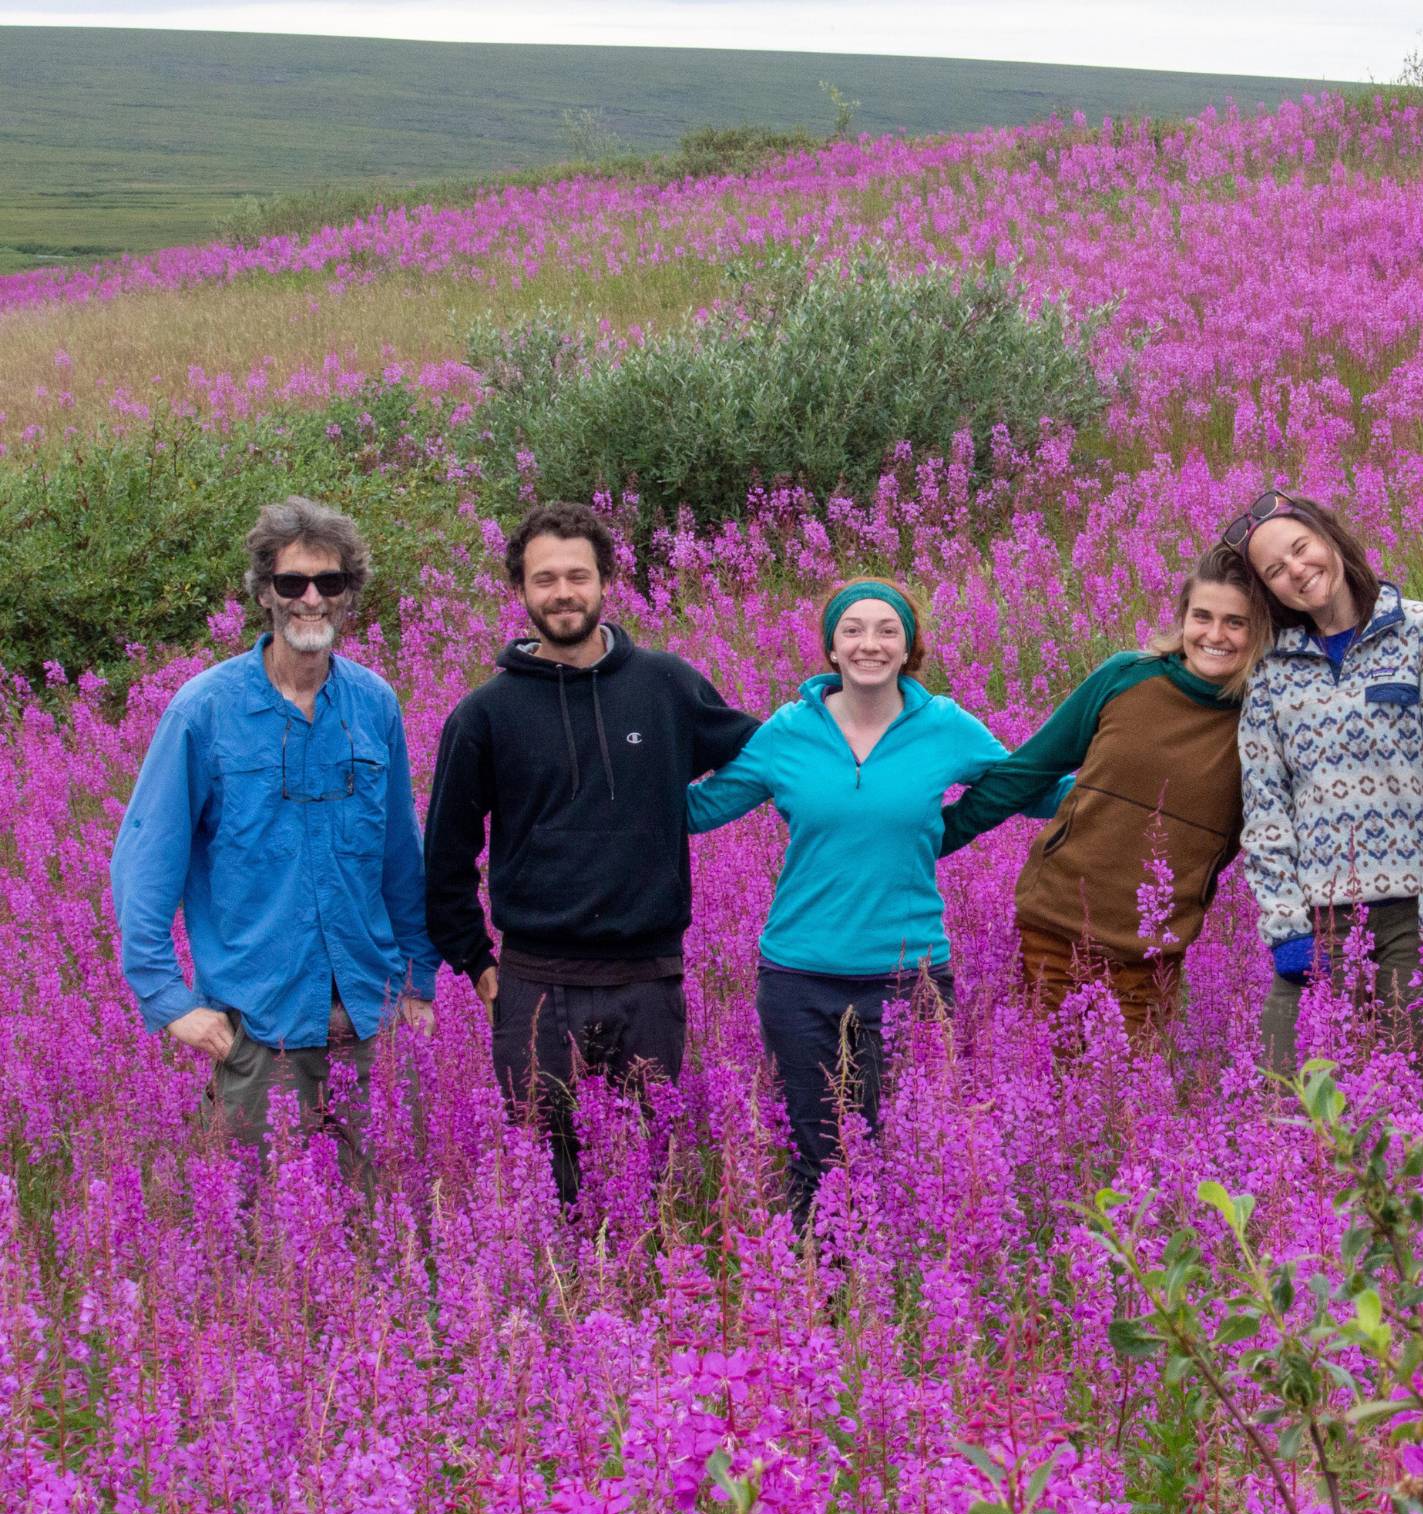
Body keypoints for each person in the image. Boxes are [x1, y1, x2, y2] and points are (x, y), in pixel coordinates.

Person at [687, 578, 1056, 1218]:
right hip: (799, 977)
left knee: (906, 1145)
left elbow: (1028, 788)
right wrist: (609, 780)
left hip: (909, 977)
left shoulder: (945, 727)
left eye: (887, 629)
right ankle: (820, 1302)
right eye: (852, 629)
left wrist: (1122, 782)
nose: (870, 644)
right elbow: (702, 808)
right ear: (831, 646)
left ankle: (893, 1302)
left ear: (908, 644)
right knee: (816, 1154)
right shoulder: (788, 732)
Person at [424, 502, 757, 1204]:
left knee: (646, 1176)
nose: (563, 592)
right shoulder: (483, 716)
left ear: (608, 580)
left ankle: (641, 1307)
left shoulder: (666, 686)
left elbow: (768, 754)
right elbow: (446, 856)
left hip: (648, 977)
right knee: (551, 1183)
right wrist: (478, 964)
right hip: (535, 982)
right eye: (544, 579)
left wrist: (839, 712)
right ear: (520, 591)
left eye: (578, 575)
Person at [110, 497, 437, 1173]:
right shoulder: (204, 710)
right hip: (260, 1027)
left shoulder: (374, 703)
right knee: (268, 1240)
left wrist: (419, 979)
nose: (310, 599)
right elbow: (145, 859)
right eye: (292, 583)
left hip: (368, 1018)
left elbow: (402, 855)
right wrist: (170, 1003)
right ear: (264, 593)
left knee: (376, 1223)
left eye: (329, 583)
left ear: (350, 596)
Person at [938, 543, 1270, 1037]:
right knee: (1039, 1089)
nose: (1215, 635)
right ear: (1183, 618)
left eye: (1236, 623)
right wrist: (927, 843)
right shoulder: (1126, 678)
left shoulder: (1267, 718)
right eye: (1202, 616)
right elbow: (1025, 773)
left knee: (1125, 1108)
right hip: (1054, 925)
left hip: (1149, 954)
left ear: (1262, 631)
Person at [1231, 491, 1423, 1073]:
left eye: (1301, 549)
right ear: (1268, 589)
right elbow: (1264, 806)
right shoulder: (1270, 670)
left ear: (1330, 539)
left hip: (1416, 914)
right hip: (1321, 925)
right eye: (1275, 570)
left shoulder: (1420, 630)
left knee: (1415, 1104)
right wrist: (1286, 929)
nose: (1297, 570)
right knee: (1288, 1094)